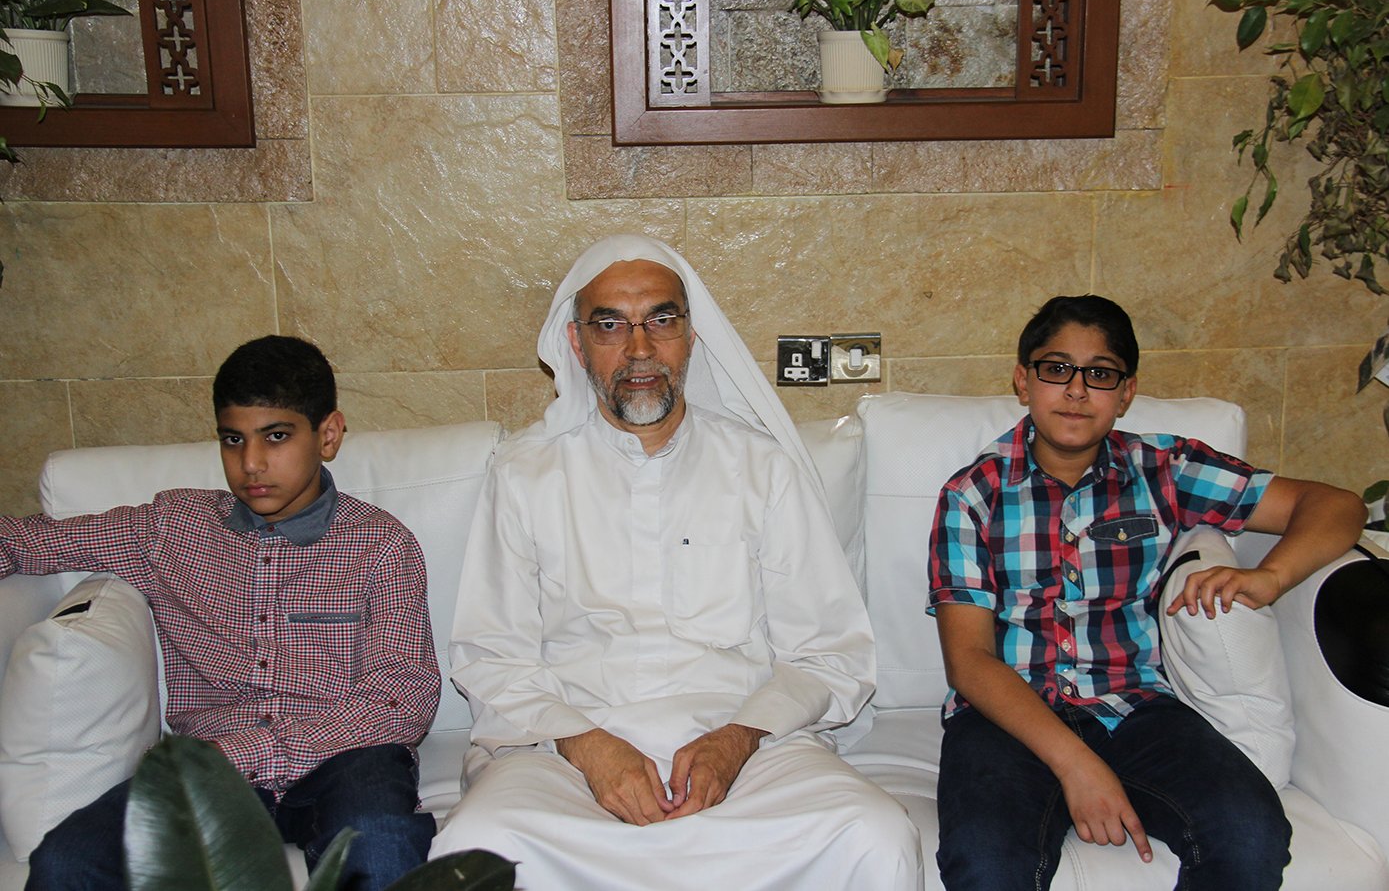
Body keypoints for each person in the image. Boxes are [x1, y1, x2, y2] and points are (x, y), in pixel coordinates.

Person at [430, 234, 922, 889]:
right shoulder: (525, 473)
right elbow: (492, 656)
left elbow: (830, 654)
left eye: (660, 321)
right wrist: (590, 748)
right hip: (564, 747)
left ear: (691, 336)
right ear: (576, 344)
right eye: (610, 326)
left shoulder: (760, 467)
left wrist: (737, 739)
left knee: (874, 835)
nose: (639, 349)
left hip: (748, 745)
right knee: (477, 847)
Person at [928, 294, 1367, 890]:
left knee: (1250, 834)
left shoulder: (1165, 469)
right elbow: (969, 661)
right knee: (986, 865)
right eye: (1056, 369)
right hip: (1006, 717)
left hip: (1135, 706)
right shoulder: (971, 494)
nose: (1076, 390)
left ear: (1126, 392)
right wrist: (1078, 766)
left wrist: (1270, 577)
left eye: (1100, 374)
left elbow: (1337, 505)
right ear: (1023, 381)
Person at [3, 336, 441, 891]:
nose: (251, 463)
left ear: (328, 435)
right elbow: (28, 542)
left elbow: (401, 700)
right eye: (233, 440)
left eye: (276, 436)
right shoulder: (171, 527)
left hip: (347, 759)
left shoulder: (380, 544)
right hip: (209, 769)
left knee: (379, 842)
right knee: (67, 860)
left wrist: (249, 751)